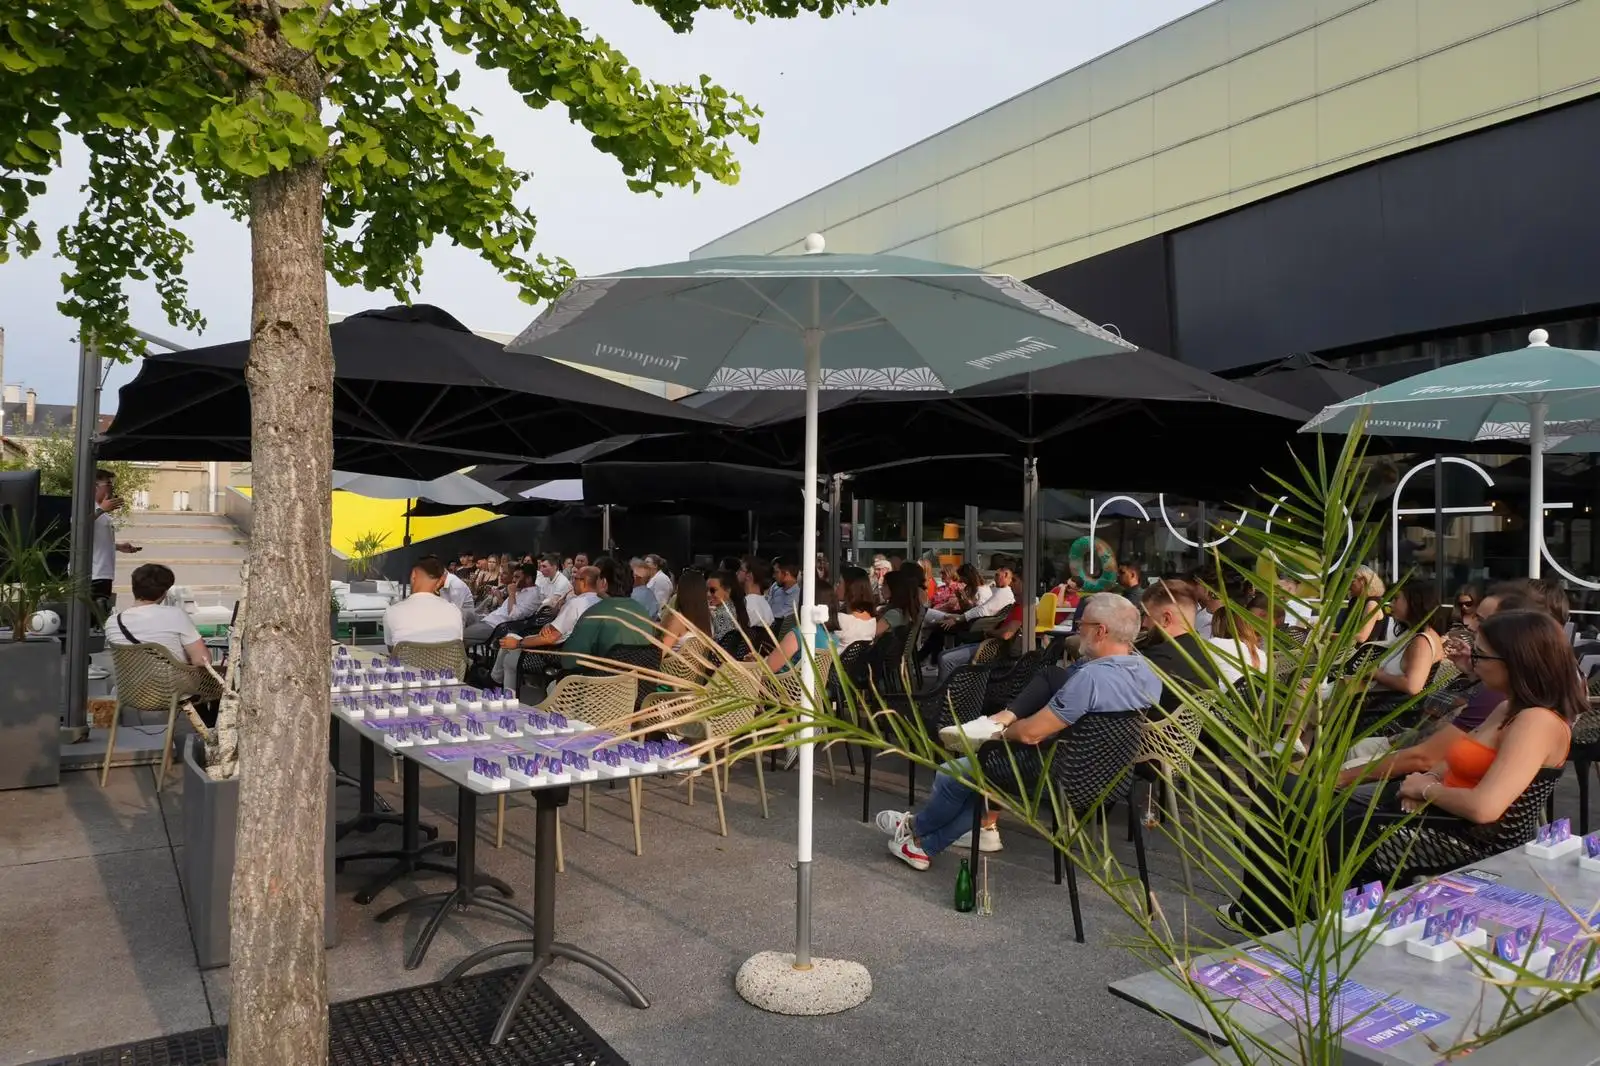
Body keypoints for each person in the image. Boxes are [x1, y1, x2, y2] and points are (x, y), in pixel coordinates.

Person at [876, 594, 1160, 869]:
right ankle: (920, 844)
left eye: (1082, 625)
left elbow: (1030, 734)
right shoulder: (1148, 674)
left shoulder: (1091, 679)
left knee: (953, 774)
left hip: (1059, 776)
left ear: (1101, 631)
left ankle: (915, 828)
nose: (1078, 630)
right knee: (976, 781)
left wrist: (997, 734)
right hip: (1110, 778)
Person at [494, 566, 602, 688]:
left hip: (555, 654)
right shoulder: (601, 602)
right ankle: (495, 679)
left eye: (574, 579)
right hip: (584, 655)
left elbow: (550, 638)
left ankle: (498, 683)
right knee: (510, 641)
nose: (572, 582)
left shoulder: (577, 604)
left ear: (584, 581)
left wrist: (518, 643)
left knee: (510, 656)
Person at [558, 560, 655, 672]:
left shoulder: (595, 614)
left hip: (601, 681)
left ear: (604, 583)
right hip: (640, 680)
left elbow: (569, 661)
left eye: (598, 578)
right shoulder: (643, 612)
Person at [1138, 580, 1225, 706]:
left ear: (1166, 619)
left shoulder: (1155, 660)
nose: (1144, 623)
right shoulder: (1206, 657)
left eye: (1147, 615)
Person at [106, 563, 209, 666]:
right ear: (164, 592)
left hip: (130, 676)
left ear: (134, 588)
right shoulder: (176, 615)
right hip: (173, 676)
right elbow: (202, 661)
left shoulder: (112, 621)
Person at [384, 556, 466, 649]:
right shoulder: (455, 611)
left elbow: (392, 649)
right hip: (447, 658)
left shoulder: (392, 612)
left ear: (413, 575)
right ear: (440, 582)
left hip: (407, 658)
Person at [90, 469, 141, 616]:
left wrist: (118, 547)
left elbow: (94, 540)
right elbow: (77, 527)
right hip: (92, 575)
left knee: (101, 615)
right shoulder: (86, 507)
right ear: (95, 486)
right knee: (93, 617)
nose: (111, 487)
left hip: (103, 573)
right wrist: (101, 509)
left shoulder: (101, 513)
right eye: (108, 484)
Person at [464, 562, 541, 642]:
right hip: (488, 618)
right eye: (514, 577)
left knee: (459, 636)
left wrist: (511, 594)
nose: (513, 580)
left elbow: (513, 616)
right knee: (462, 614)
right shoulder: (519, 590)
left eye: (517, 577)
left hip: (496, 627)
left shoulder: (533, 596)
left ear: (529, 579)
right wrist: (501, 596)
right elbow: (504, 609)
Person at [661, 568, 712, 652]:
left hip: (674, 660)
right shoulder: (708, 619)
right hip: (698, 660)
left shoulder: (678, 621)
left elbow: (660, 653)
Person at [834, 569, 879, 648]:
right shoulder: (872, 621)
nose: (836, 586)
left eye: (840, 582)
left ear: (850, 588)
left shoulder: (841, 619)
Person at [707, 569, 751, 644]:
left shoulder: (720, 615)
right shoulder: (737, 608)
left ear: (727, 591)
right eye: (706, 590)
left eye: (713, 590)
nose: (708, 594)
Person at [878, 567, 924, 636]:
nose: (881, 588)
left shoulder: (893, 614)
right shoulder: (913, 610)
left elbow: (871, 634)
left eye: (884, 584)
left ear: (895, 587)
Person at [742, 560, 777, 630]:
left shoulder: (746, 603)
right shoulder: (765, 603)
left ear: (749, 575)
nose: (736, 573)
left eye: (740, 570)